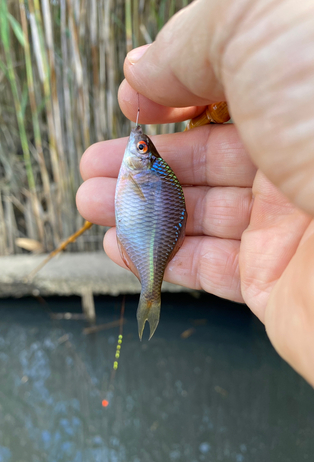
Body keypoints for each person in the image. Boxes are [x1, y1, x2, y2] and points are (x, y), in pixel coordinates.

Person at [76, 0, 314, 387]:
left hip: (150, 239)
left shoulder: (141, 174)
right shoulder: (140, 174)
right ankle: (149, 295)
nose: (141, 144)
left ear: (144, 161)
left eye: (142, 149)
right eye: (144, 147)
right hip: (152, 238)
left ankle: (148, 295)